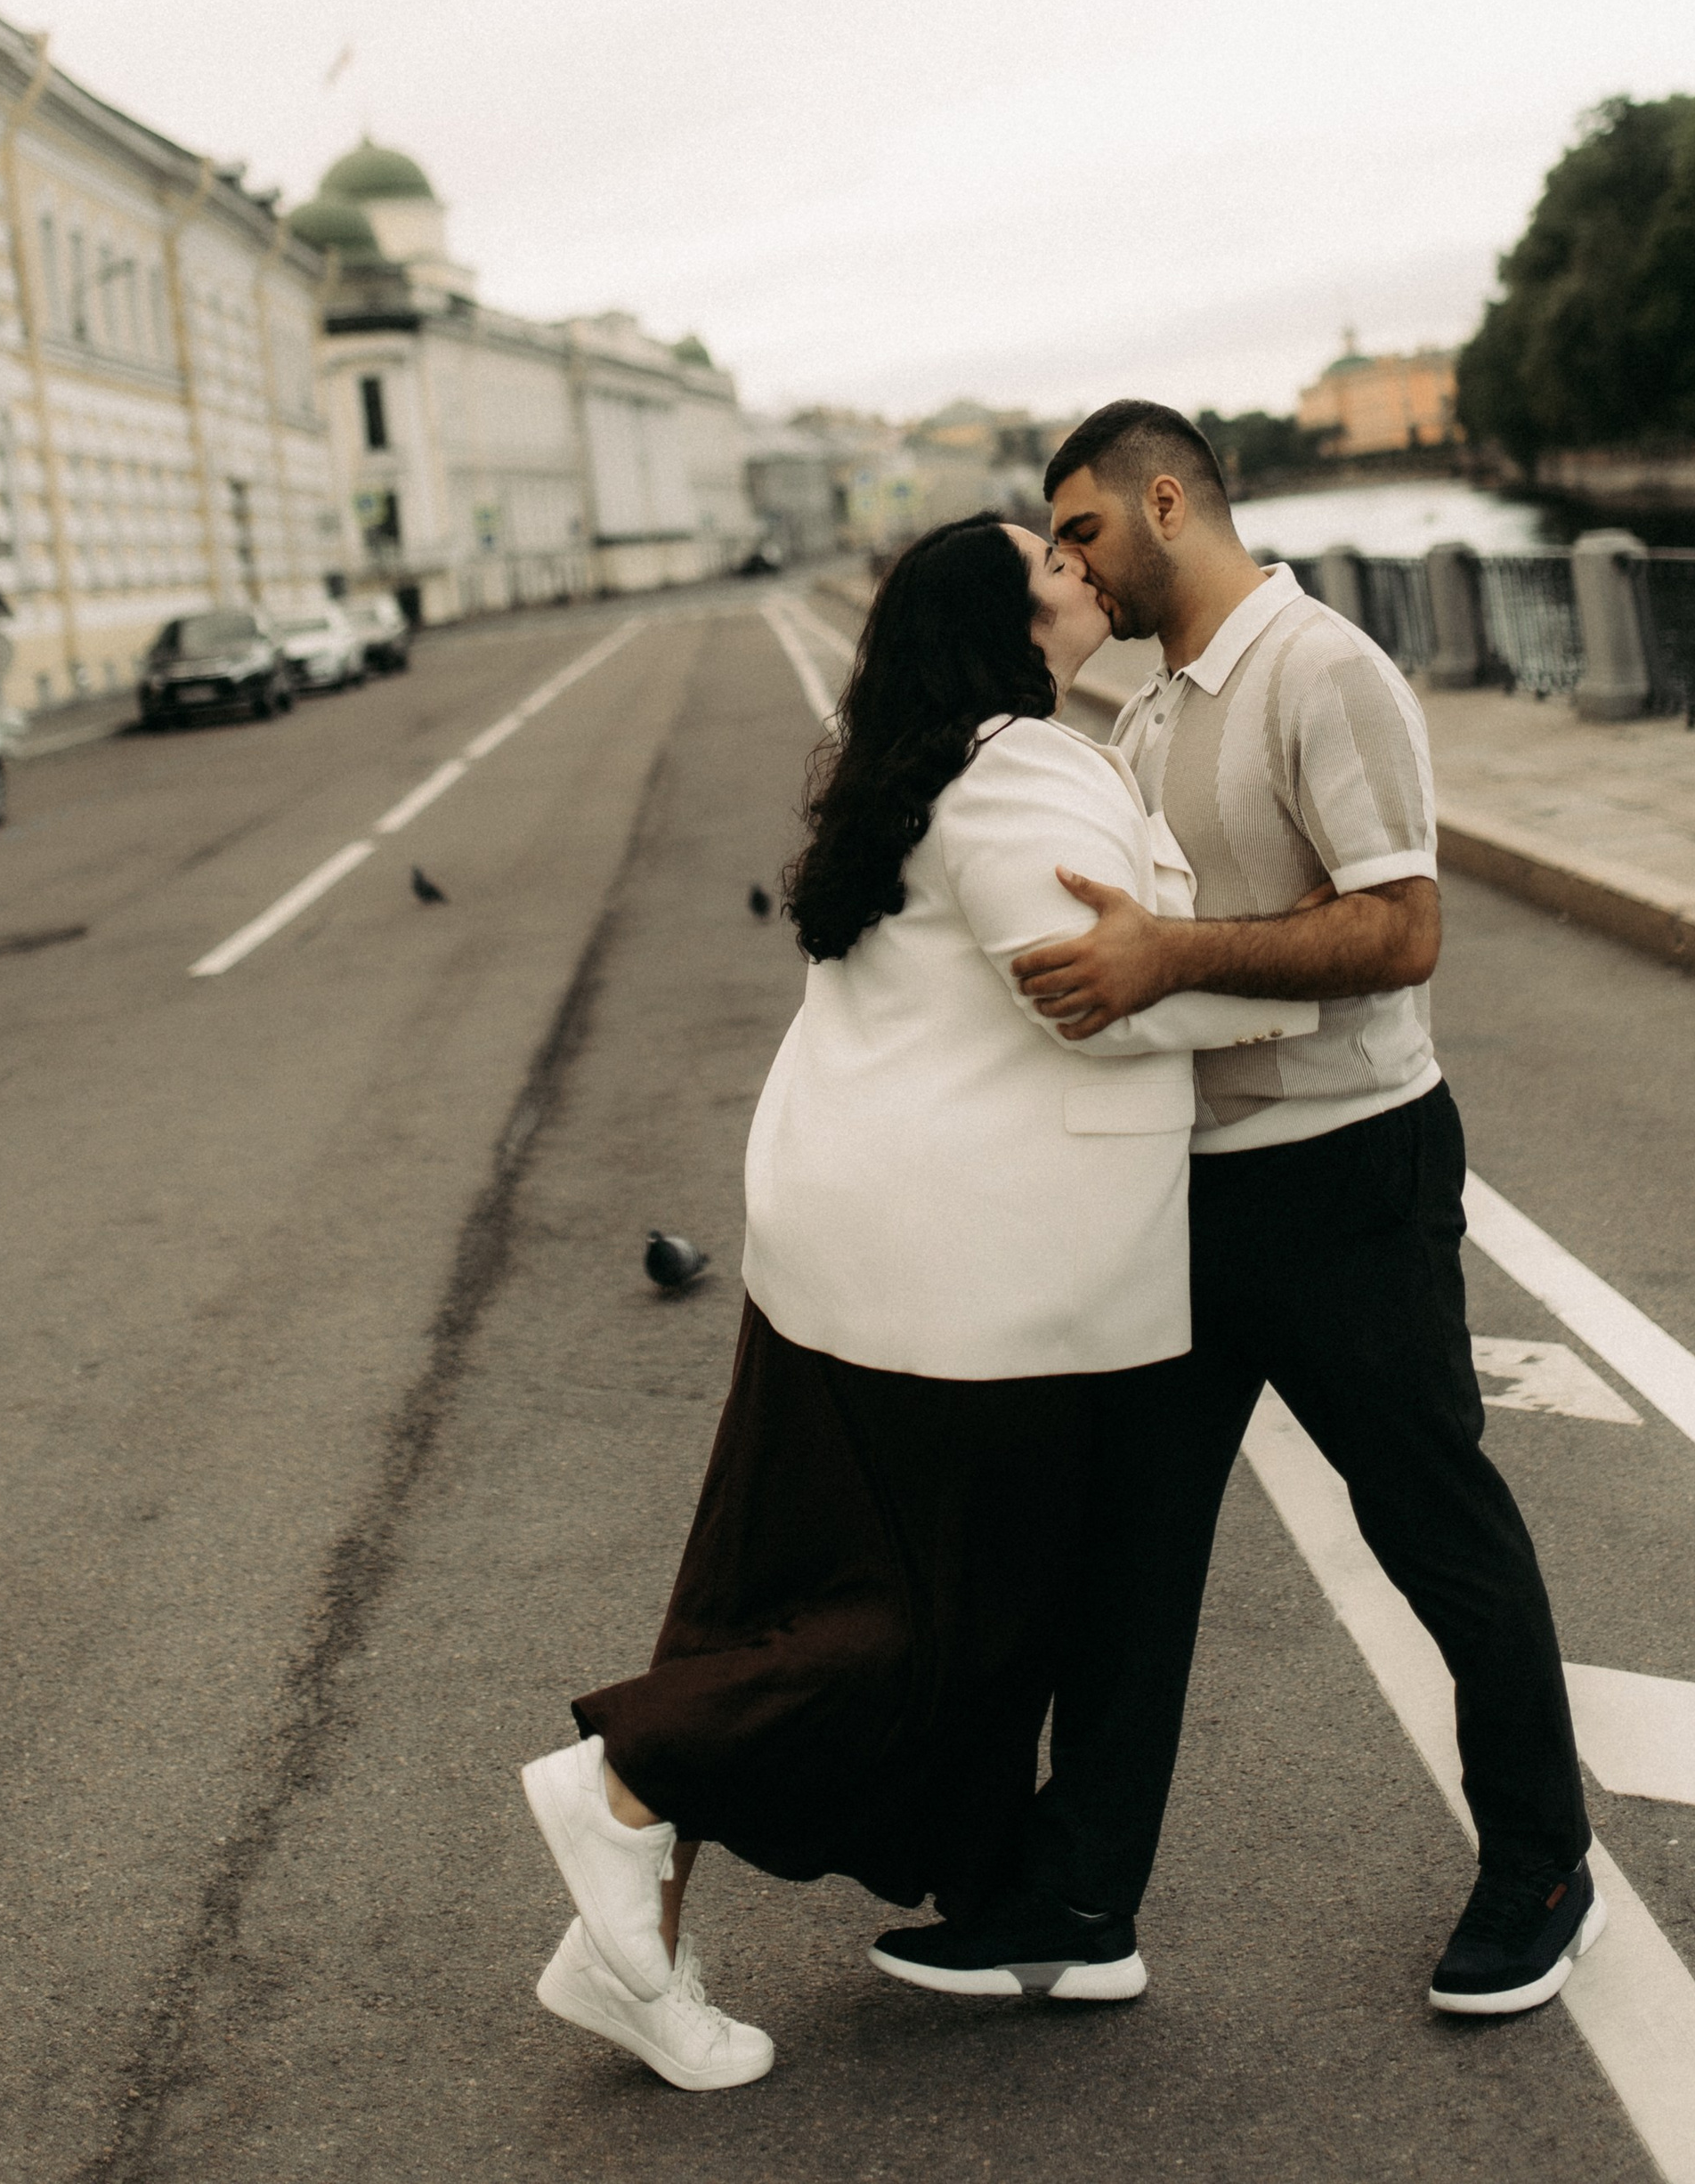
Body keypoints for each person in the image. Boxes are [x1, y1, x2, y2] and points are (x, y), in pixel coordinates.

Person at [518, 513, 1296, 2090]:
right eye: (1054, 563)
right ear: (1002, 622)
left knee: (774, 1588)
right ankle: (624, 1783)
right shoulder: (1019, 764)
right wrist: (1316, 963)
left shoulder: (925, 756)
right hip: (970, 1273)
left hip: (860, 1244)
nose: (1083, 570)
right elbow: (1095, 988)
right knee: (949, 1634)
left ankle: (628, 1952)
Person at [871, 403, 1599, 2020]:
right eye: (1053, 544)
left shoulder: (1322, 670)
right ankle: (1077, 1900)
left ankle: (1544, 1863)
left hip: (1349, 1176)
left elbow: (1401, 928)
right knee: (1128, 1559)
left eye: (1079, 532)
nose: (1064, 565)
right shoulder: (1138, 713)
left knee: (1434, 1528)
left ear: (1168, 497)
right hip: (1189, 1196)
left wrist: (1170, 958)